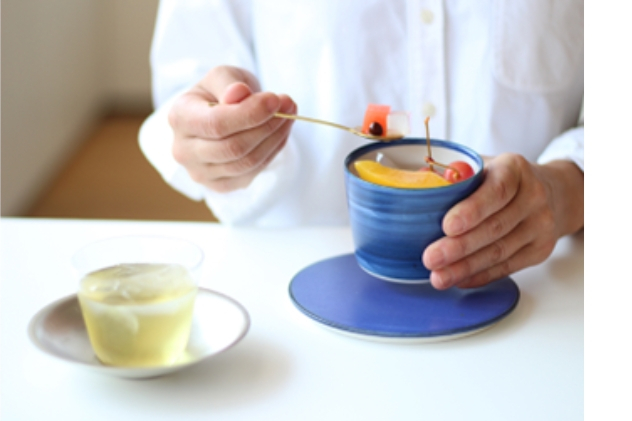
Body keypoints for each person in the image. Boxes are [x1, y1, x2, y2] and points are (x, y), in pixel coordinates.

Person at [139, 0, 584, 290]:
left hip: (545, 290)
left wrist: (568, 185)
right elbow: (184, 88)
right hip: (285, 288)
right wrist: (212, 138)